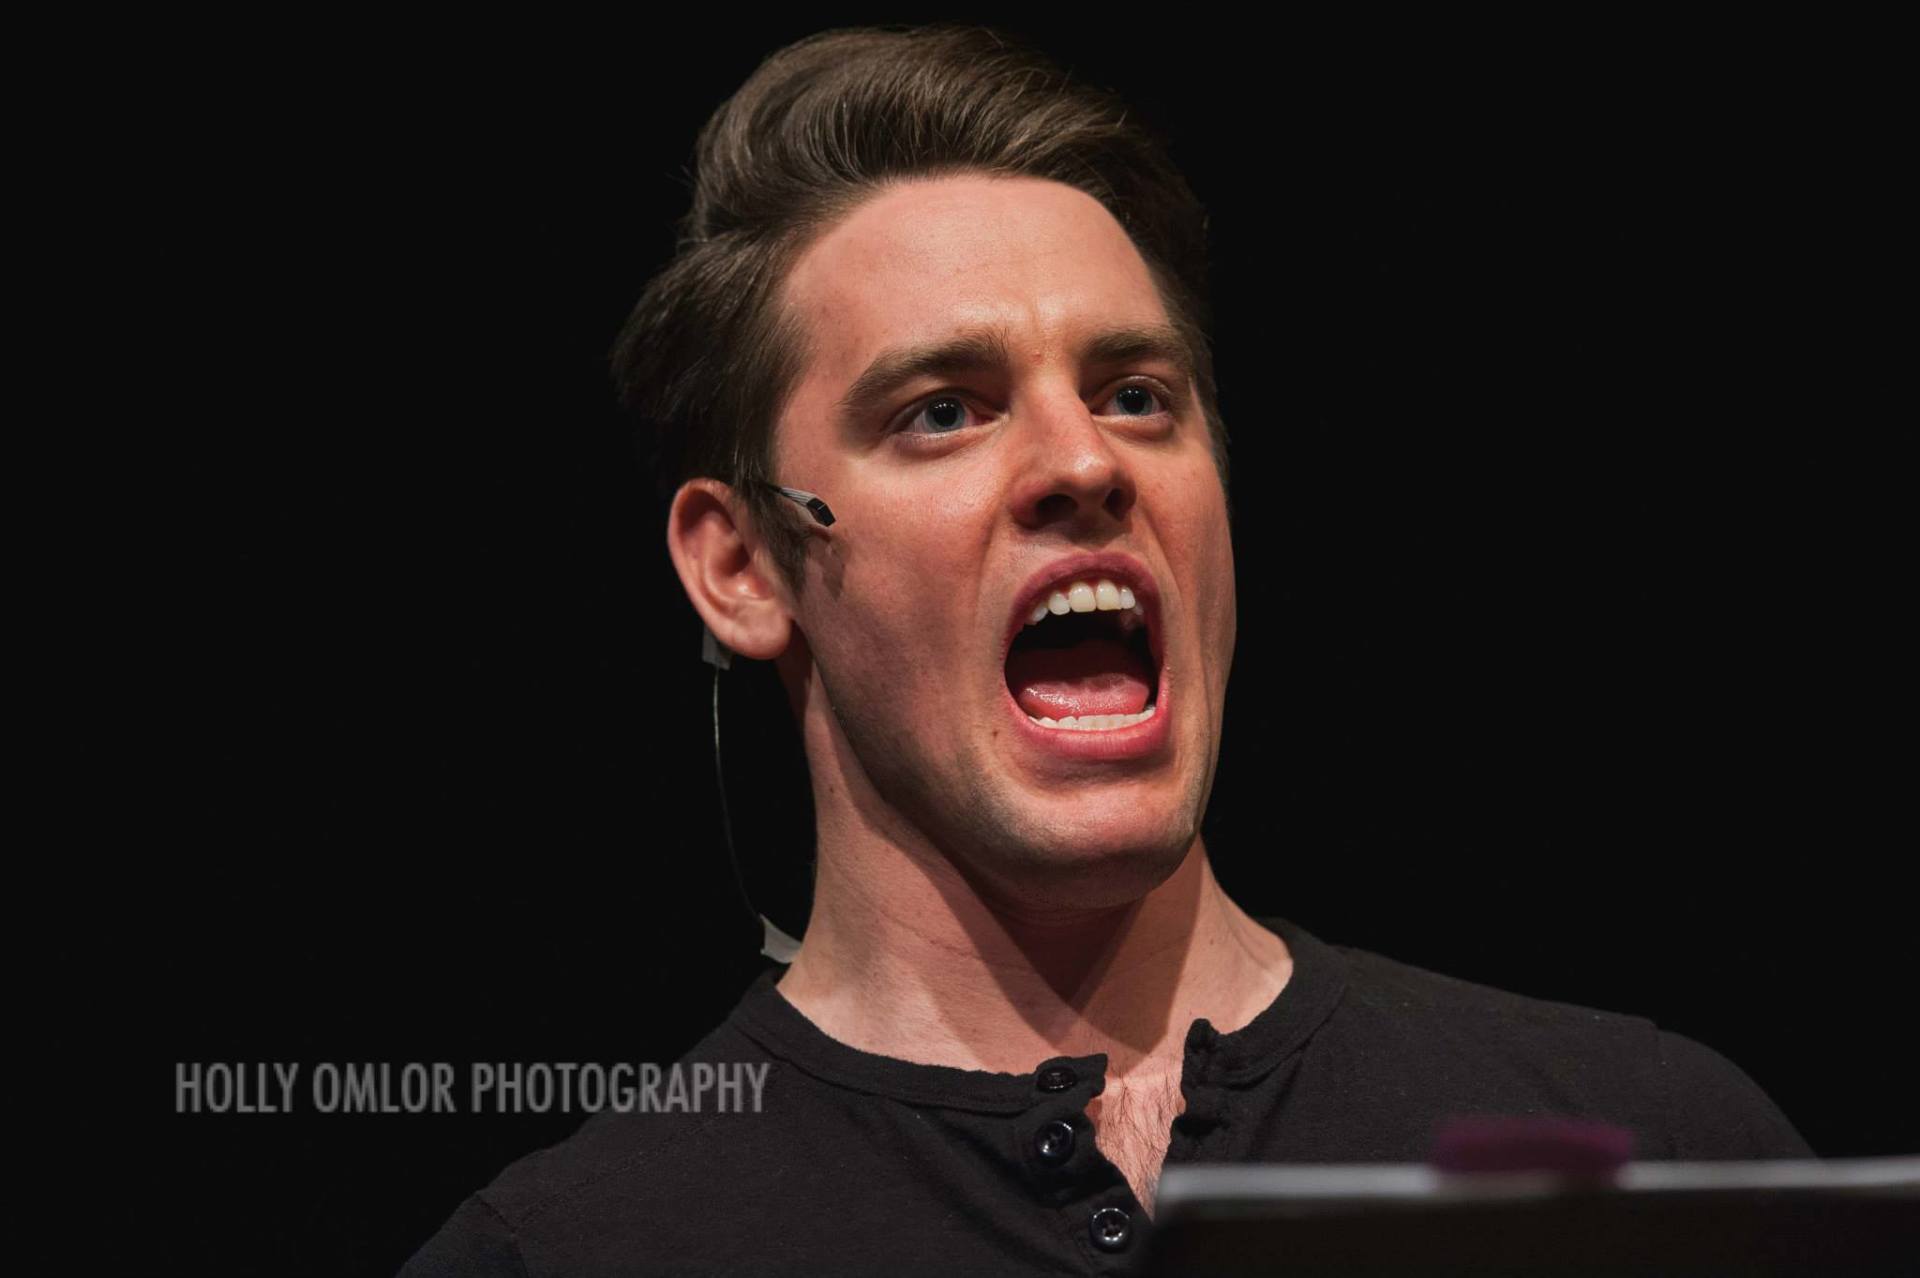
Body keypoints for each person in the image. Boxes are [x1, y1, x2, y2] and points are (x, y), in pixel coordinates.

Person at [401, 24, 1810, 1277]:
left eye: (1136, 394)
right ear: (743, 565)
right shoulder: (575, 1249)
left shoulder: (1656, 1154)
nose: (1083, 461)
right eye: (944, 410)